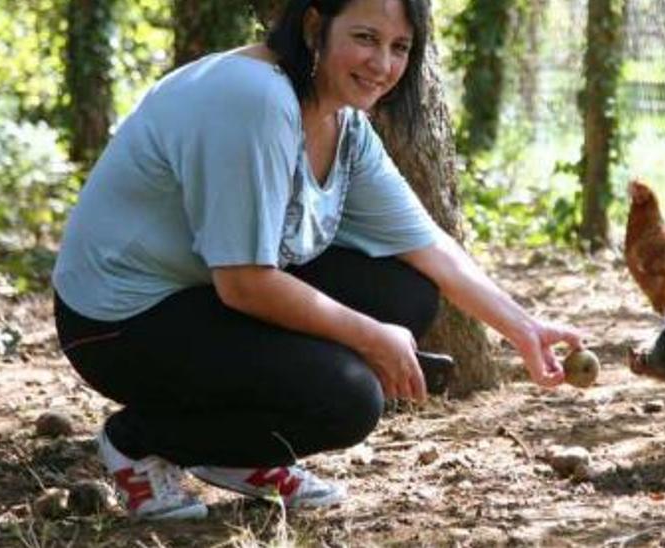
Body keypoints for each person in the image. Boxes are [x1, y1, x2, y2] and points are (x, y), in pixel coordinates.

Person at [51, 0, 583, 520]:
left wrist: (525, 330)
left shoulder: (342, 121)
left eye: (400, 47)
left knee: (405, 294)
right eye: (365, 38)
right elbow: (244, 284)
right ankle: (139, 441)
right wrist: (371, 337)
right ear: (314, 25)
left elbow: (428, 246)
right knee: (347, 400)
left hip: (204, 293)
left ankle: (240, 455)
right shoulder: (254, 99)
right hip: (116, 324)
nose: (383, 65)